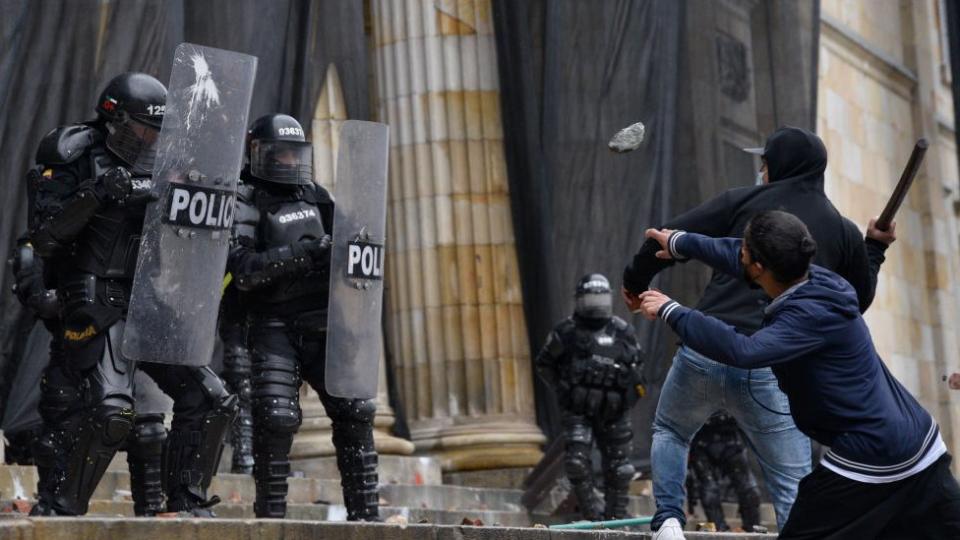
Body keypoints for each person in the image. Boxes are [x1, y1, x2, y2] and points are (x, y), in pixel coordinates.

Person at [621, 126, 895, 538]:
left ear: (777, 166)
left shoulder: (741, 202)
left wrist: (636, 283)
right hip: (770, 365)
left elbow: (664, 238)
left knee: (672, 430)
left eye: (764, 164)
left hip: (703, 347)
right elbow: (857, 298)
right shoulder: (840, 229)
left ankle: (669, 522)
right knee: (791, 479)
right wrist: (873, 247)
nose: (761, 172)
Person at [635, 210, 960, 538]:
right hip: (921, 445)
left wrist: (673, 310)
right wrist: (681, 242)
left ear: (760, 267)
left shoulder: (806, 315)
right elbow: (738, 257)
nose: (739, 255)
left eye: (744, 252)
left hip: (871, 454)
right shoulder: (818, 280)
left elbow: (743, 351)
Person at [27, 72, 236, 516]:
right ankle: (61, 511)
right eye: (144, 128)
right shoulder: (74, 151)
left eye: (158, 131)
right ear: (114, 119)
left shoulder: (166, 164)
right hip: (92, 295)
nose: (151, 139)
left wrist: (210, 204)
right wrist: (97, 194)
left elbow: (185, 240)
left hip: (148, 296)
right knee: (113, 413)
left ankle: (187, 506)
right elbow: (44, 237)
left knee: (213, 398)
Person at [227, 113, 379, 521]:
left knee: (356, 412)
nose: (288, 161)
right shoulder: (245, 198)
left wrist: (348, 254)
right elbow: (243, 270)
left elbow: (356, 251)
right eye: (279, 153)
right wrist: (305, 255)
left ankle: (367, 517)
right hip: (272, 324)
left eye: (295, 153)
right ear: (258, 152)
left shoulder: (316, 195)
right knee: (276, 418)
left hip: (325, 323)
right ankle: (271, 517)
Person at [534, 274, 645, 520]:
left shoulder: (623, 331)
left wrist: (627, 395)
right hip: (578, 409)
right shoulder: (566, 331)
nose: (596, 303)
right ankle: (593, 517)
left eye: (601, 297)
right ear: (580, 299)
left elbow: (638, 369)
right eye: (591, 297)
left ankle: (616, 520)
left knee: (621, 468)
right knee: (576, 462)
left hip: (615, 410)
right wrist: (564, 389)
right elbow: (544, 364)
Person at [686, 412, 761, 532]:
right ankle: (720, 531)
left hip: (730, 437)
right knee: (709, 490)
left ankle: (752, 530)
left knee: (749, 490)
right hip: (701, 438)